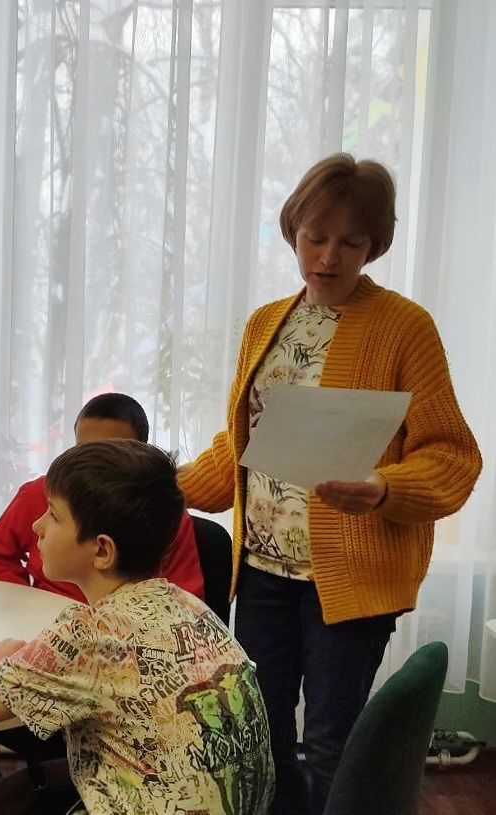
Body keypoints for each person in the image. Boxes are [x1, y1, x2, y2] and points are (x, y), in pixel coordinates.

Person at [178, 154, 482, 815]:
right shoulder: (267, 322)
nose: (328, 257)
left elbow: (452, 456)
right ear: (294, 232)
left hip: (348, 578)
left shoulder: (405, 328)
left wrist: (384, 487)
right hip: (261, 572)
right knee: (260, 738)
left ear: (375, 245)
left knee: (329, 746)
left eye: (351, 242)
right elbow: (244, 442)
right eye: (315, 237)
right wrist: (171, 486)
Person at [0, 440, 273, 815]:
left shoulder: (89, 638)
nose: (36, 526)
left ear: (101, 551)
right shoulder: (190, 606)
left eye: (53, 515)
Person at [0, 392, 204, 602]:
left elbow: (185, 596)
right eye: (83, 450)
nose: (93, 464)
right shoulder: (40, 492)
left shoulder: (163, 513)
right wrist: (24, 599)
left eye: (110, 453)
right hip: (47, 612)